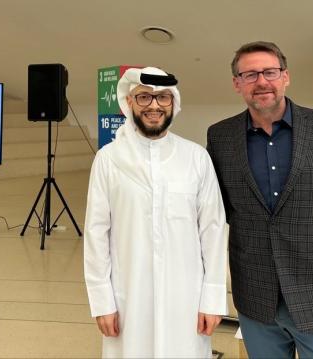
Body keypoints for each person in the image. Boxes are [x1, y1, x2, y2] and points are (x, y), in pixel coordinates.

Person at [207, 41, 313, 358]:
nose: (261, 82)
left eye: (270, 71)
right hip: (256, 293)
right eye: (250, 74)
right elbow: (224, 207)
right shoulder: (220, 136)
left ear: (286, 77)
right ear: (236, 83)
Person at [84, 67, 227, 358]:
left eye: (162, 98)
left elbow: (213, 230)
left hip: (185, 296)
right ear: (129, 102)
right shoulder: (108, 160)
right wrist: (102, 302)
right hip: (128, 296)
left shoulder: (196, 157)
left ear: (173, 104)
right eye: (145, 97)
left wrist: (212, 299)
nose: (154, 106)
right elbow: (96, 233)